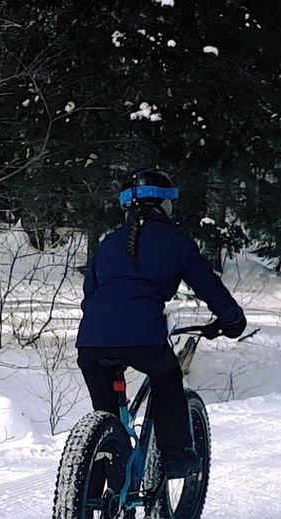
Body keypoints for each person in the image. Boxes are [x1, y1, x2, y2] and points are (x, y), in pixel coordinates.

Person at [76, 168, 248, 479]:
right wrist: (232, 320)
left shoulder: (108, 243)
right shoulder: (176, 242)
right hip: (143, 338)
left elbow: (90, 294)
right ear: (166, 205)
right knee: (167, 376)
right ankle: (176, 456)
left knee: (105, 415)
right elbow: (208, 285)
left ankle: (98, 482)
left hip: (90, 342)